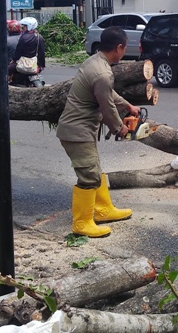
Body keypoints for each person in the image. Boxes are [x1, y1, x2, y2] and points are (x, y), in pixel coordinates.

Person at [55, 26, 140, 237]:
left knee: (94, 169)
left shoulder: (95, 62)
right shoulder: (102, 73)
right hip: (77, 131)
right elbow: (107, 106)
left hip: (82, 130)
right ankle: (81, 223)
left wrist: (128, 106)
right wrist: (120, 128)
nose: (124, 51)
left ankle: (103, 210)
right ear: (119, 47)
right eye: (125, 47)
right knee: (89, 176)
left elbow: (107, 94)